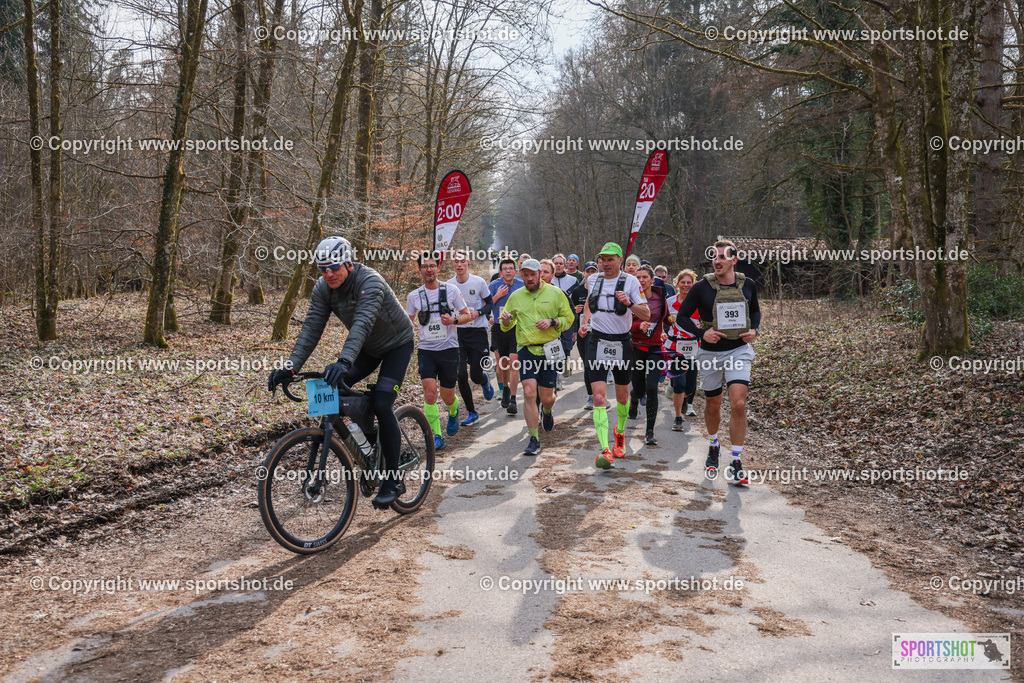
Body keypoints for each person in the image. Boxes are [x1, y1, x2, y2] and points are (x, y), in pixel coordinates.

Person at [268, 236, 414, 509]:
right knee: (330, 386)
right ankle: (372, 447)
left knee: (383, 402)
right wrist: (290, 367)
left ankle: (392, 479)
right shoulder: (323, 288)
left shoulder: (369, 281)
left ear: (348, 262)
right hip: (368, 348)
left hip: (397, 344)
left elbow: (362, 323)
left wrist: (344, 361)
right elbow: (311, 328)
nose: (328, 273)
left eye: (334, 267)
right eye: (322, 269)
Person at [676, 241, 760, 487]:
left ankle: (736, 461)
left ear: (734, 259)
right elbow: (682, 316)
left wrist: (754, 330)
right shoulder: (702, 287)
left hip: (739, 351)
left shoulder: (748, 285)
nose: (717, 260)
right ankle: (714, 445)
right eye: (714, 256)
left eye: (723, 256)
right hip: (710, 354)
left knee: (739, 402)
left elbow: (755, 312)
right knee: (713, 404)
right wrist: (702, 334)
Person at [579, 242, 650, 469]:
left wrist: (628, 303)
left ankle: (620, 432)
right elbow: (591, 303)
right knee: (599, 398)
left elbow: (645, 312)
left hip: (621, 342)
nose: (606, 264)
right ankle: (605, 449)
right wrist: (584, 322)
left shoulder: (631, 282)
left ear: (620, 260)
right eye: (603, 259)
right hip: (597, 341)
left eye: (611, 259)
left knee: (621, 398)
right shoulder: (593, 280)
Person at [499, 259, 575, 456]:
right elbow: (506, 324)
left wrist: (553, 321)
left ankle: (547, 411)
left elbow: (569, 319)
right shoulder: (515, 297)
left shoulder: (555, 293)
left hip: (549, 350)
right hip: (526, 350)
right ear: (521, 276)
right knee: (530, 393)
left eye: (533, 274)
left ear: (540, 274)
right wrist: (506, 321)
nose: (529, 278)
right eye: (525, 275)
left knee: (547, 397)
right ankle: (534, 438)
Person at [406, 253, 472, 451]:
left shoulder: (451, 290)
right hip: (426, 350)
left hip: (449, 349)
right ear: (420, 270)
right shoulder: (413, 296)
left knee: (447, 396)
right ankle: (436, 435)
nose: (429, 269)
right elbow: (407, 322)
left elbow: (467, 315)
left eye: (432, 266)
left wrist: (454, 321)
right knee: (430, 394)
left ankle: (453, 412)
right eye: (425, 266)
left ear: (438, 268)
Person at [448, 251, 495, 426]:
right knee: (460, 375)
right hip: (458, 333)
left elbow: (490, 303)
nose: (459, 265)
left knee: (475, 375)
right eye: (456, 261)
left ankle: (484, 380)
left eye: (462, 261)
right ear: (452, 264)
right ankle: (472, 412)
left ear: (468, 263)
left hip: (477, 332)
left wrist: (479, 312)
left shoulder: (478, 282)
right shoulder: (448, 285)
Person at [629, 265, 670, 446]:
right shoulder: (630, 297)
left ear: (652, 280)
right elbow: (622, 325)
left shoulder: (660, 297)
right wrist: (638, 326)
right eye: (638, 277)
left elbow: (667, 318)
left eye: (645, 277)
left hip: (655, 347)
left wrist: (664, 331)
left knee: (652, 388)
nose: (641, 280)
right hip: (636, 347)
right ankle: (634, 396)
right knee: (639, 388)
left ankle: (650, 431)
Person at [664, 269, 700, 430]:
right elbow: (662, 320)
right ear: (677, 284)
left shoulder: (699, 302)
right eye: (683, 282)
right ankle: (678, 418)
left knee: (690, 386)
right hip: (674, 346)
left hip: (693, 346)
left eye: (689, 282)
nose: (686, 285)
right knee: (680, 384)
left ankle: (681, 396)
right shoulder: (670, 301)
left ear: (693, 285)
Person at [488, 258, 525, 415]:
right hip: (498, 327)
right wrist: (497, 296)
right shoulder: (493, 285)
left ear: (516, 271)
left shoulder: (521, 286)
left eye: (511, 268)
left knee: (514, 362)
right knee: (502, 362)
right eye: (505, 269)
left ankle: (514, 399)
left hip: (516, 328)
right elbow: (485, 306)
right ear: (501, 272)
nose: (508, 271)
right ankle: (505, 388)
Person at [568, 261, 598, 408]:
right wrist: (576, 310)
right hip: (583, 332)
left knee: (596, 364)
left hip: (598, 332)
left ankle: (599, 395)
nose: (591, 275)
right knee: (587, 364)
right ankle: (591, 396)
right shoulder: (578, 291)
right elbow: (569, 312)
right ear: (584, 274)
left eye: (594, 272)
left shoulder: (602, 290)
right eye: (588, 272)